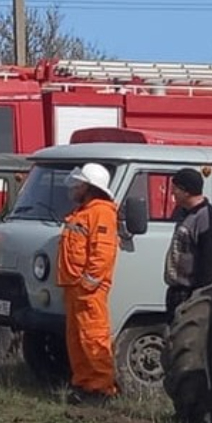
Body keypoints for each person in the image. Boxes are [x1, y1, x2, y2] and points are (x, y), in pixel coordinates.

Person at [59, 162, 121, 404]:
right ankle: (84, 383)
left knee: (93, 337)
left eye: (79, 184)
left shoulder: (102, 212)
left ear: (90, 187)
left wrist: (90, 281)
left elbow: (102, 252)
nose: (74, 189)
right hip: (76, 287)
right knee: (77, 339)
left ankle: (101, 388)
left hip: (88, 289)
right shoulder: (83, 212)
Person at [164, 167, 212, 316]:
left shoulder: (206, 216)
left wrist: (200, 296)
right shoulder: (184, 213)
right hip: (177, 292)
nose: (172, 193)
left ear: (186, 191)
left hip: (192, 295)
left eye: (175, 189)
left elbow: (210, 260)